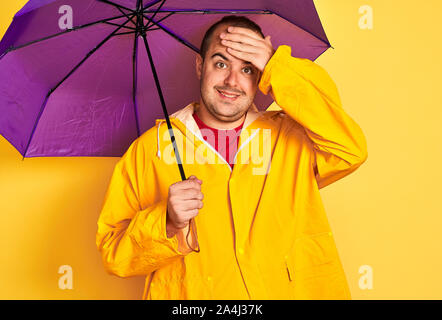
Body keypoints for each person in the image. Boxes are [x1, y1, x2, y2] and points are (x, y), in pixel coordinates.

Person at [96, 15, 368, 300]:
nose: (232, 81)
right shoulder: (147, 151)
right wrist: (166, 221)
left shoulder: (293, 137)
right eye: (221, 63)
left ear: (262, 75)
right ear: (200, 66)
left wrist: (277, 65)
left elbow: (350, 149)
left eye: (248, 69)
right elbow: (114, 255)